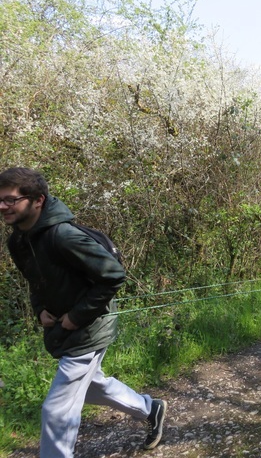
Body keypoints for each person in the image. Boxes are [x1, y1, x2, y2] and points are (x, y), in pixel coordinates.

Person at [0, 167, 167, 457]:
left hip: (89, 327)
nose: (3, 206)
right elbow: (35, 281)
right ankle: (150, 408)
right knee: (91, 387)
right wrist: (40, 309)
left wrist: (75, 317)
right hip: (66, 328)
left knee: (56, 411)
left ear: (37, 200)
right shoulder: (18, 241)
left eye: (10, 199)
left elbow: (113, 275)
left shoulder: (63, 236)